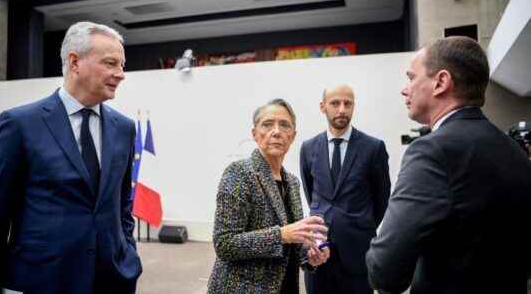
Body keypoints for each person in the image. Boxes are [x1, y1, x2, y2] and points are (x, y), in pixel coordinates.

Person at [0, 21, 142, 294]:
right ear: (75, 62)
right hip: (40, 282)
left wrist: (127, 255)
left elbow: (122, 205)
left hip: (111, 281)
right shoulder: (20, 124)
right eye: (110, 63)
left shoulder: (125, 129)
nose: (120, 74)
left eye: (122, 65)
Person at [366, 36, 531, 294]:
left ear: (441, 82)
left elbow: (386, 270)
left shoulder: (431, 152)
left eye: (411, 77)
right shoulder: (516, 152)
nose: (405, 88)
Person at [208, 99, 330, 293]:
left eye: (284, 125)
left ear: (292, 136)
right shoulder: (239, 173)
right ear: (254, 134)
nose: (276, 131)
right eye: (267, 124)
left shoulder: (292, 182)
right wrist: (281, 234)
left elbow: (292, 243)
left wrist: (310, 254)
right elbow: (224, 243)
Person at [300, 85, 391, 294]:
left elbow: (382, 199)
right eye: (335, 103)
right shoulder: (308, 148)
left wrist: (359, 225)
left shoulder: (373, 148)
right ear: (323, 107)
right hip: (318, 250)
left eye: (347, 103)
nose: (342, 109)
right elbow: (310, 191)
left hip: (358, 251)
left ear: (353, 106)